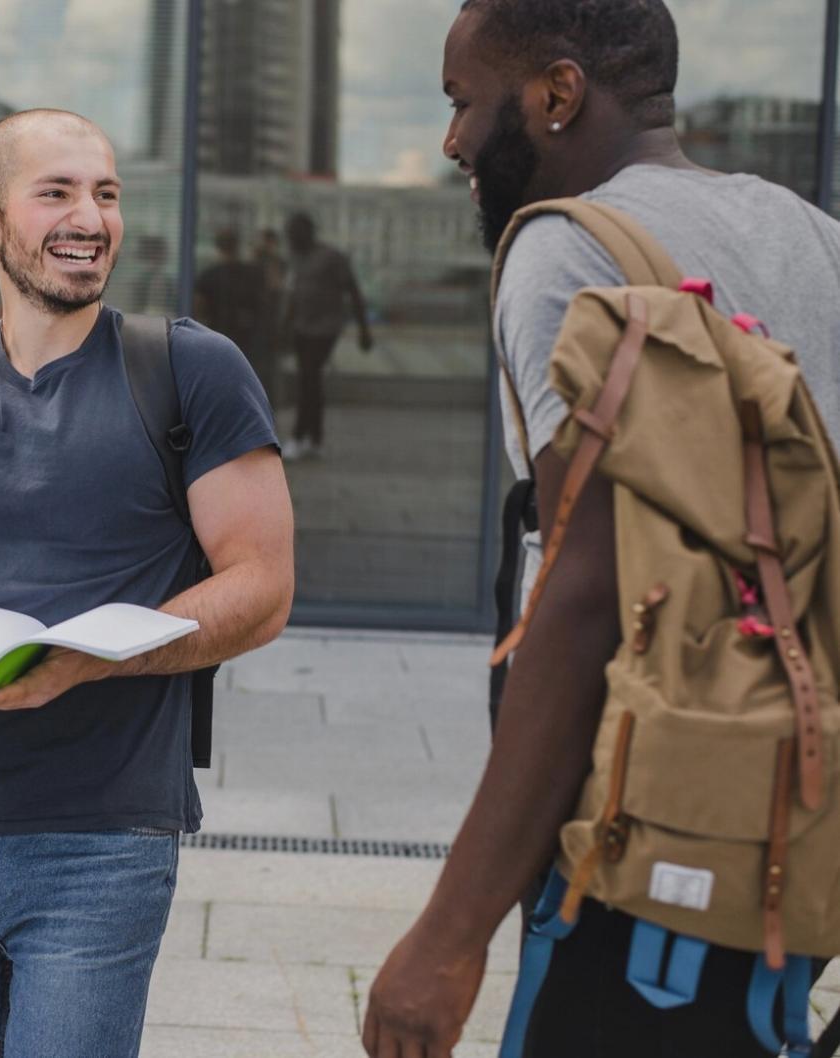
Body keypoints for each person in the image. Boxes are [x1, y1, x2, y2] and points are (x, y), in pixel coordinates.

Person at [363, 2, 840, 1056]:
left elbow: (584, 593)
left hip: (640, 820)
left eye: (460, 103)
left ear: (556, 94)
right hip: (793, 803)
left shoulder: (566, 250)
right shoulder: (809, 233)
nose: (448, 141)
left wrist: (445, 935)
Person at [0, 108, 294, 1058]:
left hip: (101, 839)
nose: (91, 215)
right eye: (58, 192)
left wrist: (87, 660)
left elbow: (263, 588)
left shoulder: (188, 370)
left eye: (106, 193)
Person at [280, 212, 372, 460]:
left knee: (308, 379)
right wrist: (285, 326)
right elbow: (293, 293)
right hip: (301, 328)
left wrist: (364, 330)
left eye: (293, 234)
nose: (289, 239)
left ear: (307, 233)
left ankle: (299, 437)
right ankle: (315, 439)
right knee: (311, 382)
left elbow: (353, 291)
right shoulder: (296, 257)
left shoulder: (332, 258)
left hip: (325, 329)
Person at [194, 228, 274, 399]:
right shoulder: (253, 274)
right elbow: (264, 305)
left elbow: (199, 308)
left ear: (217, 247)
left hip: (218, 334)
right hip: (248, 337)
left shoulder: (209, 276)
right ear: (237, 246)